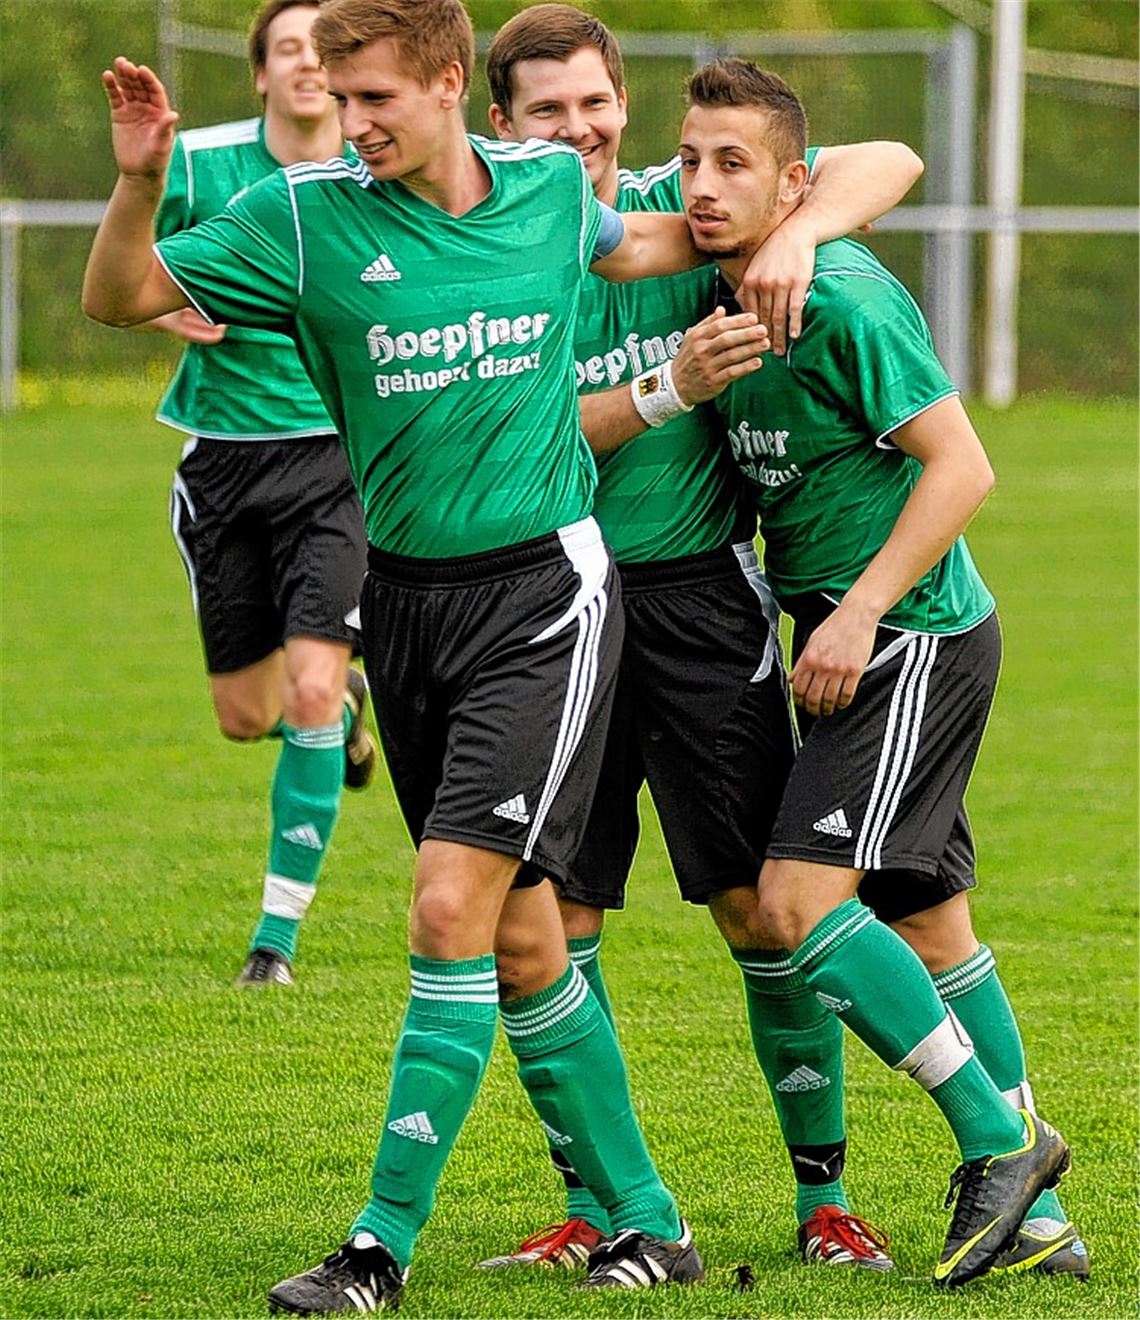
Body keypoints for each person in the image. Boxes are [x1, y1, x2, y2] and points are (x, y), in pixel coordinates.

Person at [83, 0, 737, 1308]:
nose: (353, 120)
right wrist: (140, 181)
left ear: (447, 85)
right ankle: (650, 1226)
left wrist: (798, 232)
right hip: (408, 606)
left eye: (376, 96)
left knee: (449, 908)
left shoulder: (552, 190)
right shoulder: (307, 216)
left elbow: (666, 237)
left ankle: (376, 1248)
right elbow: (123, 297)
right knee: (524, 941)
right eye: (340, 94)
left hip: (547, 596)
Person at [481, 3, 924, 1273]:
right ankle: (605, 1201)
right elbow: (533, 438)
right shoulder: (493, 244)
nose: (574, 129)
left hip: (694, 602)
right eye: (543, 111)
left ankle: (822, 1202)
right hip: (546, 604)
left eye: (593, 104)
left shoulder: (695, 201)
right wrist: (672, 377)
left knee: (757, 912)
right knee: (551, 919)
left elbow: (886, 158)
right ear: (498, 125)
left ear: (626, 107)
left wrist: (805, 236)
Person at [679, 58, 1080, 1287]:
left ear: (795, 184)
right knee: (929, 918)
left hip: (908, 637)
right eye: (689, 159)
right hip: (859, 632)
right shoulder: (713, 276)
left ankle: (1007, 1144)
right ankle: (1042, 1236)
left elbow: (962, 468)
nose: (701, 184)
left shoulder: (842, 297)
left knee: (799, 905)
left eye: (733, 163)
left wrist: (852, 615)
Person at [142, 0, 377, 989]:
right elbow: (129, 272)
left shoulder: (371, 166)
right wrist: (164, 311)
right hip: (224, 461)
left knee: (311, 686)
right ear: (262, 74)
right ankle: (341, 714)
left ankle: (272, 946)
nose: (308, 65)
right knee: (248, 715)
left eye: (324, 50)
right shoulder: (198, 164)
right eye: (288, 49)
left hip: (336, 458)